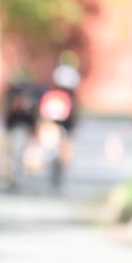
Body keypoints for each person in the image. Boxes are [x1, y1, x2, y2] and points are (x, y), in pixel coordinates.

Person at [38, 51, 81, 187]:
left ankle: (60, 161)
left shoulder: (60, 74)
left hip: (61, 112)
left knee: (64, 140)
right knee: (65, 140)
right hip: (60, 111)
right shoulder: (70, 78)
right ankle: (59, 160)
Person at [0, 70, 40, 190]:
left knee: (11, 152)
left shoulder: (13, 93)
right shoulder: (27, 93)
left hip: (18, 126)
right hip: (17, 126)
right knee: (10, 152)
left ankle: (8, 175)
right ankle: (8, 174)